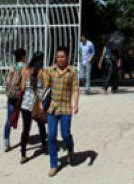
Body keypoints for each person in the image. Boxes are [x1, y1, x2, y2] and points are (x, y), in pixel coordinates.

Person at [46, 47, 79, 177]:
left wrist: (75, 104)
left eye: (62, 56)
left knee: (65, 135)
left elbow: (75, 89)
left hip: (65, 108)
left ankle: (70, 147)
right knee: (51, 136)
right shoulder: (50, 70)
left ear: (67, 57)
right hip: (52, 108)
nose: (60, 59)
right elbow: (45, 87)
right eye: (58, 56)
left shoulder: (72, 72)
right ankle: (53, 164)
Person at [19, 51, 48, 164]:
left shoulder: (25, 71)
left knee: (26, 129)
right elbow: (46, 88)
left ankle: (23, 154)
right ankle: (44, 144)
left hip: (26, 103)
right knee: (41, 124)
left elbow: (22, 88)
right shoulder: (43, 72)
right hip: (38, 104)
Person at [4, 48, 26, 151]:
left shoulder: (12, 67)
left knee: (9, 119)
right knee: (26, 119)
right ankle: (24, 141)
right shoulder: (24, 68)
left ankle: (6, 142)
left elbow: (7, 81)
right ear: (23, 57)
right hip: (20, 96)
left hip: (11, 95)